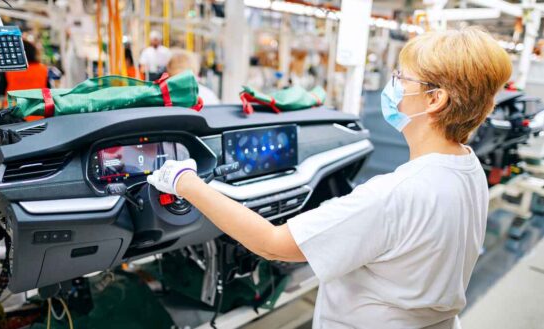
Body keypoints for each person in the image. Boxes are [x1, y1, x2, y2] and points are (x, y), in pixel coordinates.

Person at [148, 27, 512, 328]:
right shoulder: (468, 168)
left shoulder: (394, 195)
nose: (394, 86)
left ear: (435, 100)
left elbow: (273, 244)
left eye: (402, 78)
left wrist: (185, 182)